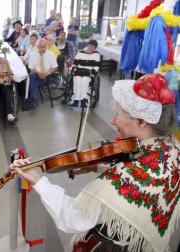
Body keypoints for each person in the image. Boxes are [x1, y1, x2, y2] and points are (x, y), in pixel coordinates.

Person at [12, 73, 179, 252]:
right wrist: (95, 166)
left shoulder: (126, 175)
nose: (113, 120)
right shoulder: (172, 149)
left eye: (118, 114)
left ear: (140, 122)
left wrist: (38, 181)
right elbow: (141, 177)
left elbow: (72, 218)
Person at [25, 39, 58, 110]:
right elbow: (31, 67)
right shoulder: (33, 54)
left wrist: (47, 73)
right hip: (37, 74)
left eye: (44, 46)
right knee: (32, 76)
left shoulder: (51, 54)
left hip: (48, 75)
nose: (43, 48)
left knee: (32, 79)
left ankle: (32, 99)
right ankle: (33, 98)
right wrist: (38, 72)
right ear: (37, 47)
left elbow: (55, 67)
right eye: (41, 47)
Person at [71, 39, 100, 107]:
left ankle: (84, 99)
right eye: (90, 46)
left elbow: (97, 67)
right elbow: (74, 64)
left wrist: (92, 72)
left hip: (89, 73)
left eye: (93, 47)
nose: (91, 48)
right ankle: (76, 99)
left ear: (95, 48)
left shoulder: (96, 54)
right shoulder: (80, 52)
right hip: (79, 72)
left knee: (84, 81)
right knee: (77, 80)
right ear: (87, 45)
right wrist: (74, 68)